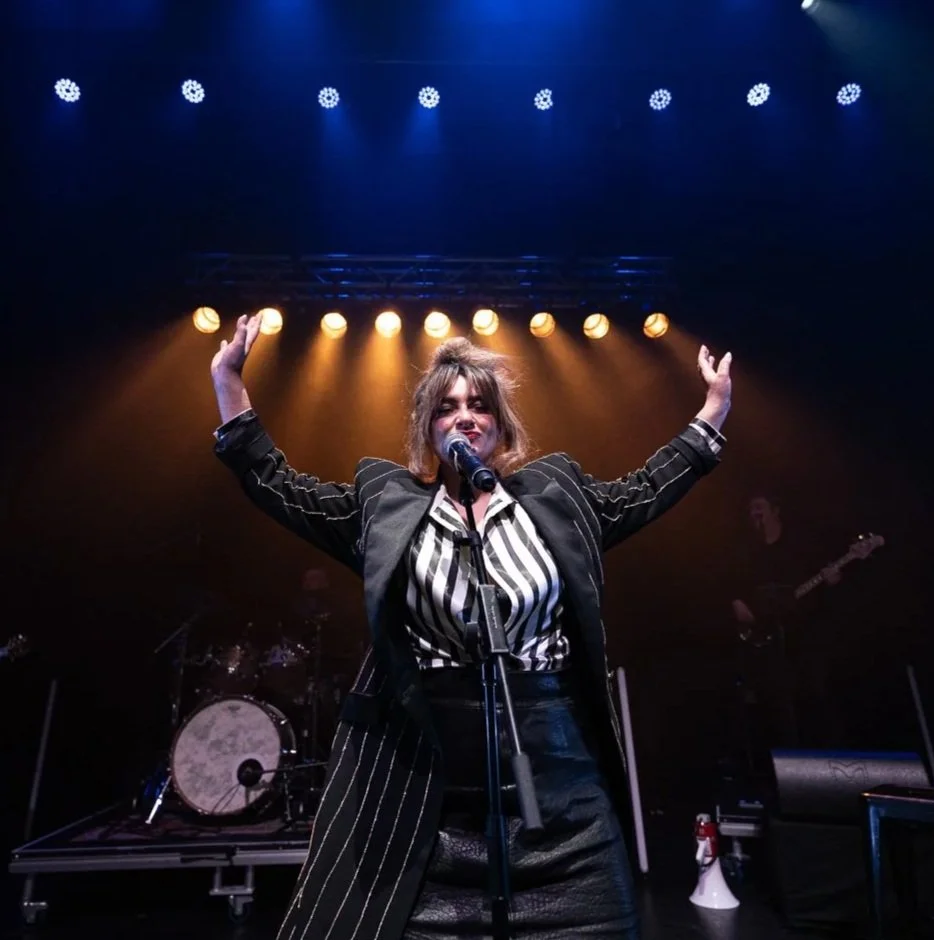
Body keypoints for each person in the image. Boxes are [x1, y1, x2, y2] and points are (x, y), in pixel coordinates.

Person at [210, 312, 732, 940]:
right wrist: (229, 384)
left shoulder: (555, 493)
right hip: (435, 805)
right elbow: (281, 486)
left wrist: (713, 412)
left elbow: (645, 489)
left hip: (563, 796)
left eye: (479, 405)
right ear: (428, 427)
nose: (465, 416)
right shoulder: (385, 503)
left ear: (498, 424)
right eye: (448, 406)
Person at [731, 493, 843, 755]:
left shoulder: (798, 547)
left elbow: (828, 580)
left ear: (775, 511)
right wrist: (737, 602)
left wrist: (833, 578)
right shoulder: (748, 552)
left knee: (811, 697)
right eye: (751, 509)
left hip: (802, 637)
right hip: (765, 644)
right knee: (773, 704)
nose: (755, 513)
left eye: (760, 507)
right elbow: (732, 581)